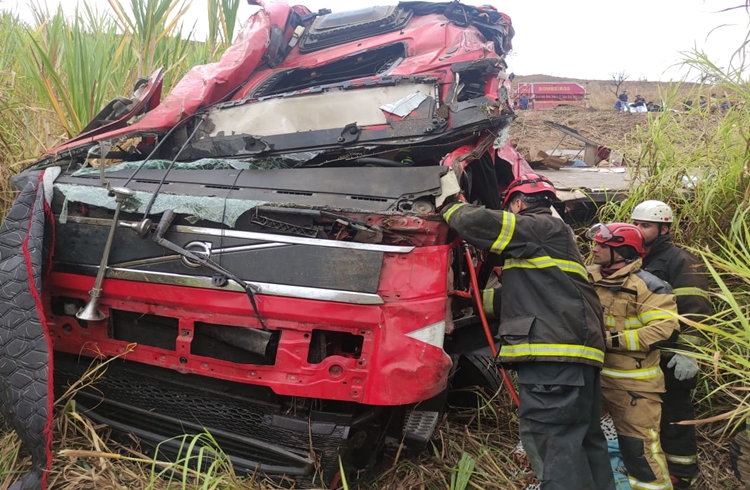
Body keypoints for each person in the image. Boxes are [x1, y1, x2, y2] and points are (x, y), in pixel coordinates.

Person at [442, 173, 615, 490]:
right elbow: (519, 298)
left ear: (518, 204)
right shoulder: (553, 245)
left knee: (554, 445)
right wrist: (462, 302)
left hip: (554, 362)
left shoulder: (540, 227)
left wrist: (450, 202)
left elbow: (478, 222)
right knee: (585, 445)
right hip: (574, 361)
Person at [587, 222, 680, 490]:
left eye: (602, 245)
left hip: (633, 387)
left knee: (639, 451)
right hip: (592, 378)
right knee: (582, 440)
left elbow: (664, 330)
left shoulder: (648, 287)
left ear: (622, 251)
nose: (594, 249)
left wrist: (609, 341)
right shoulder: (587, 276)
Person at [631, 200, 713, 489]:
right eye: (636, 224)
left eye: (645, 225)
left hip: (673, 358)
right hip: (644, 356)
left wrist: (688, 352)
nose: (638, 230)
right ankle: (654, 471)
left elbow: (696, 308)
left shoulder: (682, 261)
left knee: (674, 415)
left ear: (664, 228)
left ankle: (682, 474)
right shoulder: (637, 258)